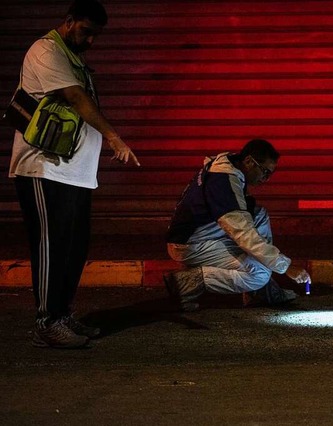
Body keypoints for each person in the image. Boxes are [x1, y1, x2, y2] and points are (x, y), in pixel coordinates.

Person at [8, 0, 140, 348]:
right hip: (45, 167)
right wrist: (113, 137)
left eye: (96, 35)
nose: (91, 41)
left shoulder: (75, 58)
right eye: (86, 32)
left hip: (76, 173)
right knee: (51, 245)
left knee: (75, 247)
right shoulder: (46, 49)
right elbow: (75, 97)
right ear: (68, 22)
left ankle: (63, 314)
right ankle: (46, 322)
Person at [164, 139, 311, 311]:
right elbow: (243, 233)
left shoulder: (229, 168)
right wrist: (284, 266)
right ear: (249, 162)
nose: (266, 179)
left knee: (259, 215)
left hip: (205, 234)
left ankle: (258, 293)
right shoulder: (223, 181)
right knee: (259, 274)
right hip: (190, 245)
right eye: (264, 172)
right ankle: (188, 282)